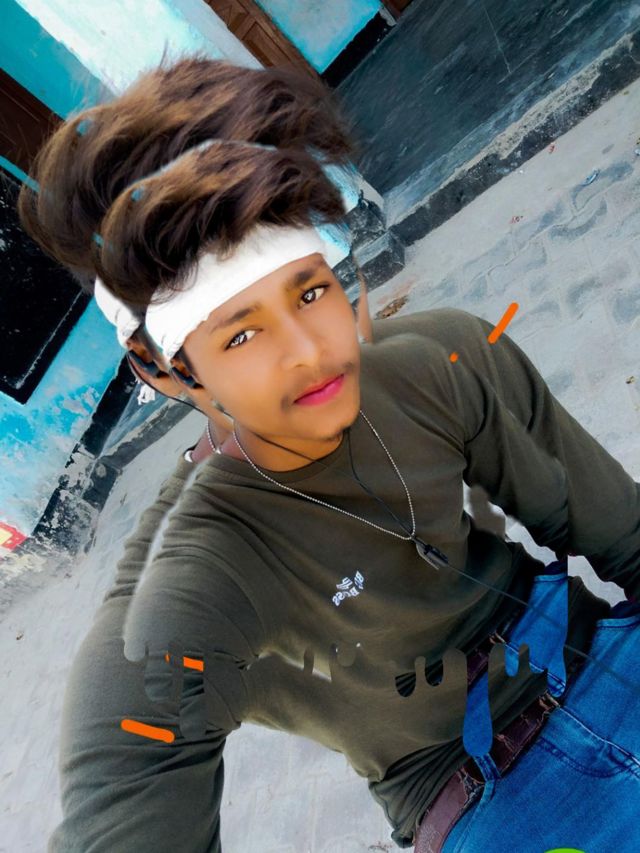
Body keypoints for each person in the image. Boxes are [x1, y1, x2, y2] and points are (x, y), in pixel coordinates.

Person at [18, 58, 639, 853]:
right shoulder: (184, 585)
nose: (311, 352)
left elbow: (627, 537)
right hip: (480, 799)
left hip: (600, 652)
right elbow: (126, 783)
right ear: (164, 369)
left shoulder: (443, 362)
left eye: (311, 291)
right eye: (243, 332)